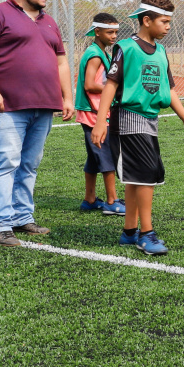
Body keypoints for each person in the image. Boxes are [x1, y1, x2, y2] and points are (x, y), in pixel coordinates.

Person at [0, 0, 74, 247]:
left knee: (29, 164)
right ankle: (1, 226)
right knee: (6, 162)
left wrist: (67, 97)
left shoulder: (49, 22)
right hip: (7, 106)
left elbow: (61, 62)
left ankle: (22, 216)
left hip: (44, 106)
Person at [91, 0, 184, 256]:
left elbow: (169, 90)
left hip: (150, 120)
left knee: (136, 178)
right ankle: (146, 233)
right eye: (164, 21)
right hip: (128, 119)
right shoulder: (126, 47)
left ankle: (129, 232)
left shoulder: (161, 51)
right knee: (147, 176)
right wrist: (100, 122)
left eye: (170, 21)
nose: (168, 26)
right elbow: (111, 85)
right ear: (147, 20)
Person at [75, 13, 125, 216]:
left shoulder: (100, 52)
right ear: (97, 32)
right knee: (105, 155)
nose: (114, 36)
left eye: (116, 32)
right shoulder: (95, 55)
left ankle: (90, 199)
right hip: (93, 113)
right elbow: (89, 85)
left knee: (94, 158)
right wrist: (114, 88)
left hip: (94, 111)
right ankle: (112, 201)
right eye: (109, 32)